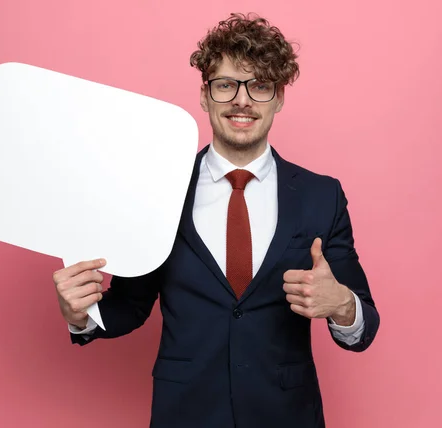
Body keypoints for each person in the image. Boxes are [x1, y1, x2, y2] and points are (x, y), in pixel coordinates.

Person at [52, 13, 379, 428]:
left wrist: (342, 305)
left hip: (287, 416)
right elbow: (130, 306)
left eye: (259, 86)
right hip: (185, 413)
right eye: (225, 85)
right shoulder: (158, 191)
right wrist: (80, 314)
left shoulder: (321, 195)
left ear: (278, 97)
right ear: (205, 96)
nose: (241, 101)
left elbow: (364, 324)